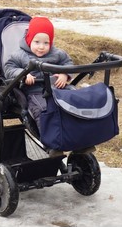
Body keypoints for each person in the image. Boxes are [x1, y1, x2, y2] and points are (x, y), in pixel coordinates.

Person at [4, 16, 73, 153]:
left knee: (74, 103)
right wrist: (23, 74)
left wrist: (65, 75)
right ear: (29, 40)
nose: (41, 47)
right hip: (36, 91)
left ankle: (75, 137)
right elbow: (9, 68)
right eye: (37, 42)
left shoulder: (57, 54)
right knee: (44, 111)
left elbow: (68, 63)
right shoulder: (20, 55)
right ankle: (51, 143)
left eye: (46, 43)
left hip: (58, 88)